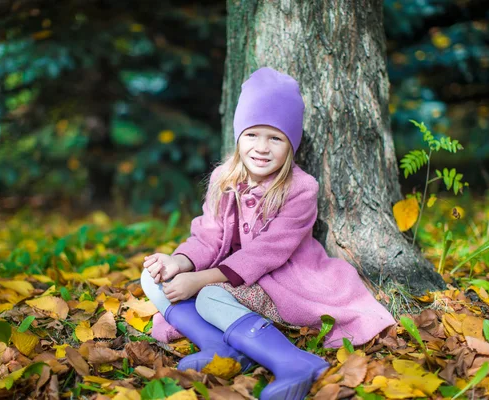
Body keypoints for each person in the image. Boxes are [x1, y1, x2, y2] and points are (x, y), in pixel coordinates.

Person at [141, 67, 396, 400]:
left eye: (275, 138)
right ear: (238, 136)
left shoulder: (300, 189)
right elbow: (207, 235)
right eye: (252, 135)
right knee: (152, 278)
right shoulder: (224, 179)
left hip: (282, 279)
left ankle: (294, 362)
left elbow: (266, 253)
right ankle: (221, 347)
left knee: (208, 296)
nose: (261, 147)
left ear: (291, 144)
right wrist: (178, 262)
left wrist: (198, 280)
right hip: (230, 274)